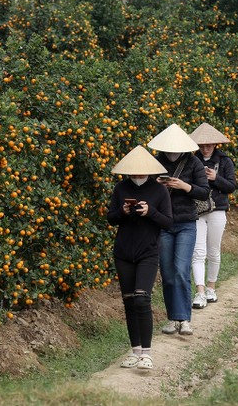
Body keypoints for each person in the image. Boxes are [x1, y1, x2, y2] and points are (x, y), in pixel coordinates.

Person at [107, 146, 172, 370]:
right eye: (132, 171)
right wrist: (123, 212)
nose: (136, 174)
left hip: (148, 252)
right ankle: (135, 351)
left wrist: (150, 211)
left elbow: (168, 222)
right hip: (123, 253)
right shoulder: (120, 188)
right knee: (129, 302)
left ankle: (147, 353)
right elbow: (110, 218)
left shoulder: (159, 191)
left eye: (140, 170)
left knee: (142, 299)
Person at [148, 124, 210, 336]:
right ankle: (173, 319)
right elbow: (145, 193)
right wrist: (156, 185)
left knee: (181, 271)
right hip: (163, 224)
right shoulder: (156, 162)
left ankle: (184, 320)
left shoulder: (193, 162)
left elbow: (204, 192)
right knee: (167, 274)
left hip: (185, 224)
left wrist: (184, 186)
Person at [189, 123, 237, 309]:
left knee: (213, 250)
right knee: (198, 251)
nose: (205, 148)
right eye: (202, 145)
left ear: (215, 144)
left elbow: (231, 187)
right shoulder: (192, 161)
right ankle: (199, 292)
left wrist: (215, 178)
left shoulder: (225, 161)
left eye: (209, 144)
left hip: (218, 209)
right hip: (198, 210)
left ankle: (211, 288)